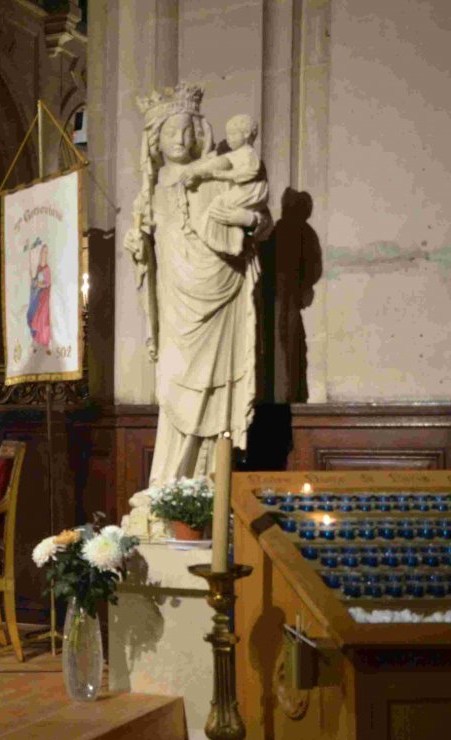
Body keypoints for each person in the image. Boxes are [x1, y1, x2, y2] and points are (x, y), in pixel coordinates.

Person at [123, 85, 272, 487]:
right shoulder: (151, 191)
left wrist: (250, 225)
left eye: (188, 131)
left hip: (222, 287)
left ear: (200, 133)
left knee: (218, 390)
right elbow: (144, 249)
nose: (180, 140)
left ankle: (208, 485)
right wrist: (137, 247)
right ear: (156, 140)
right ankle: (171, 486)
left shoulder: (219, 175)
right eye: (171, 132)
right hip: (176, 300)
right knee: (174, 379)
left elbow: (261, 220)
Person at [183, 114, 268, 257]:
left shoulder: (237, 159)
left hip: (233, 260)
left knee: (218, 203)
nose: (182, 140)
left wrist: (250, 219)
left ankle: (226, 240)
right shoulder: (162, 186)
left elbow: (266, 221)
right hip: (189, 259)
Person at [26, 244, 52, 350]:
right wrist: (34, 281)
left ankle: (46, 342)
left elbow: (48, 283)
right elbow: (35, 281)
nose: (44, 254)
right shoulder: (38, 267)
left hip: (45, 295)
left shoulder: (47, 268)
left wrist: (40, 284)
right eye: (43, 251)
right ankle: (36, 340)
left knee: (43, 317)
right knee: (34, 316)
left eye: (46, 252)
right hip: (38, 294)